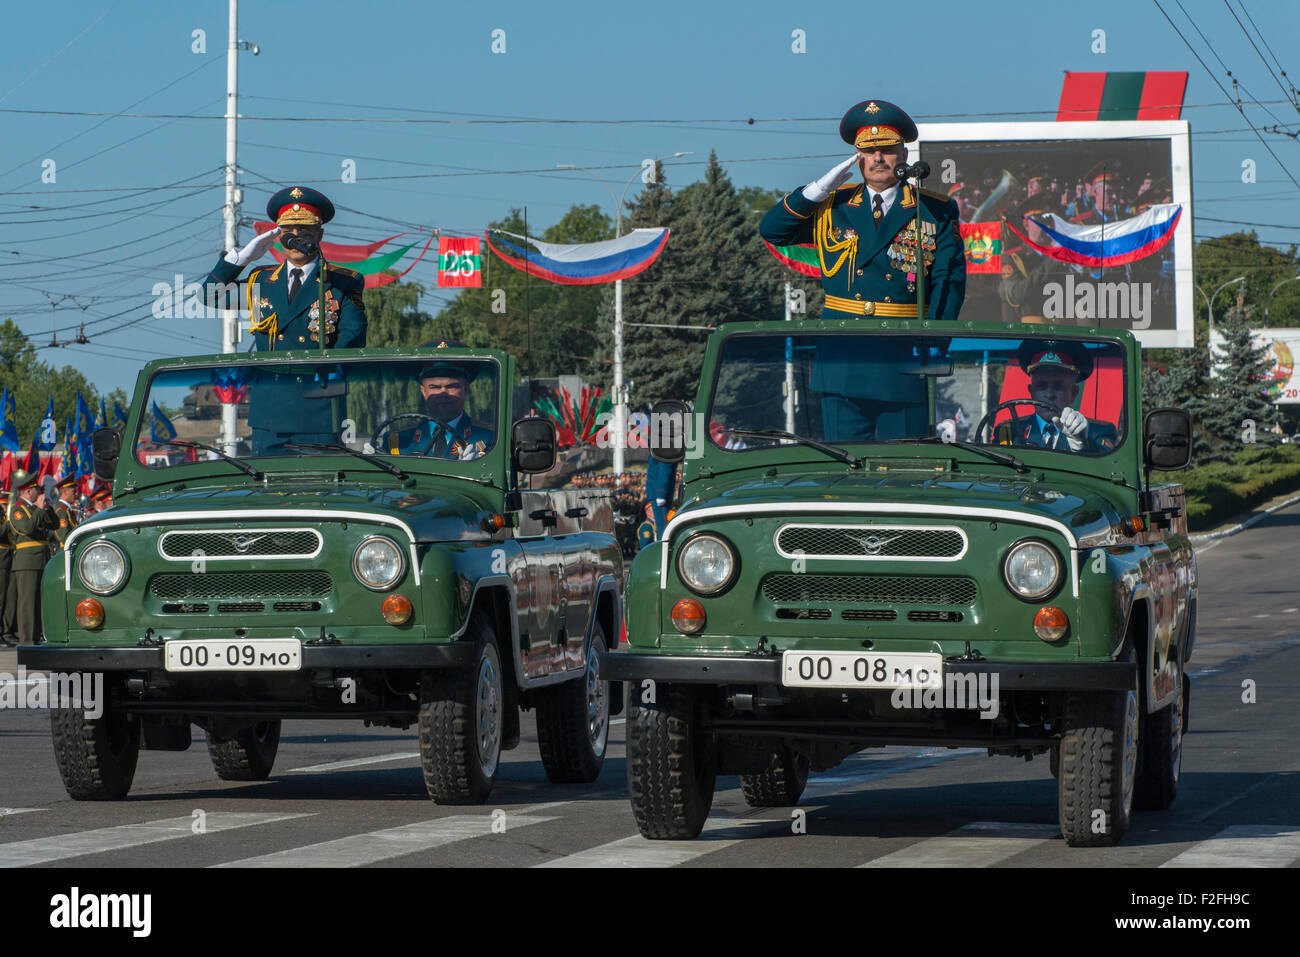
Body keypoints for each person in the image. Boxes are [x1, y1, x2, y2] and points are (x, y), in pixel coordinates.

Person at [759, 99, 966, 443]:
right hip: (843, 357)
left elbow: (949, 281)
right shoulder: (832, 206)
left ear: (903, 154)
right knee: (846, 472)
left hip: (904, 358)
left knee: (901, 474)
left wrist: (935, 343)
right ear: (858, 158)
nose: (878, 159)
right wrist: (815, 190)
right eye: (869, 152)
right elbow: (773, 231)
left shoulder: (934, 210)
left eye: (887, 149)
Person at [202, 186, 367, 352]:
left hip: (318, 375)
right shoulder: (262, 281)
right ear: (280, 236)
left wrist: (326, 373)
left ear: (319, 235)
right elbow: (209, 296)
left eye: (304, 231)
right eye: (288, 232)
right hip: (271, 377)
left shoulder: (342, 282)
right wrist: (240, 259)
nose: (295, 238)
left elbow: (352, 338)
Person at [995, 342, 1118, 453]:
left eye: (1058, 386)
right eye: (1041, 386)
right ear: (1031, 392)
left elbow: (1109, 465)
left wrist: (1083, 443)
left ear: (1074, 393)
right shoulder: (1010, 433)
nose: (1049, 395)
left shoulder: (1097, 432)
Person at [387, 350, 493, 460]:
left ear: (466, 390)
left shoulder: (490, 438)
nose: (443, 394)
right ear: (423, 391)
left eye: (452, 386)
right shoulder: (397, 441)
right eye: (435, 387)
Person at [8, 470, 52, 646]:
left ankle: (39, 636)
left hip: (42, 559)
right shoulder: (18, 509)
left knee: (40, 602)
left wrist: (46, 508)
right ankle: (26, 641)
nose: (39, 493)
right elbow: (26, 527)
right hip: (27, 561)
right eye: (37, 490)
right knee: (27, 603)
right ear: (28, 491)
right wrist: (40, 510)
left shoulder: (35, 509)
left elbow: (54, 524)